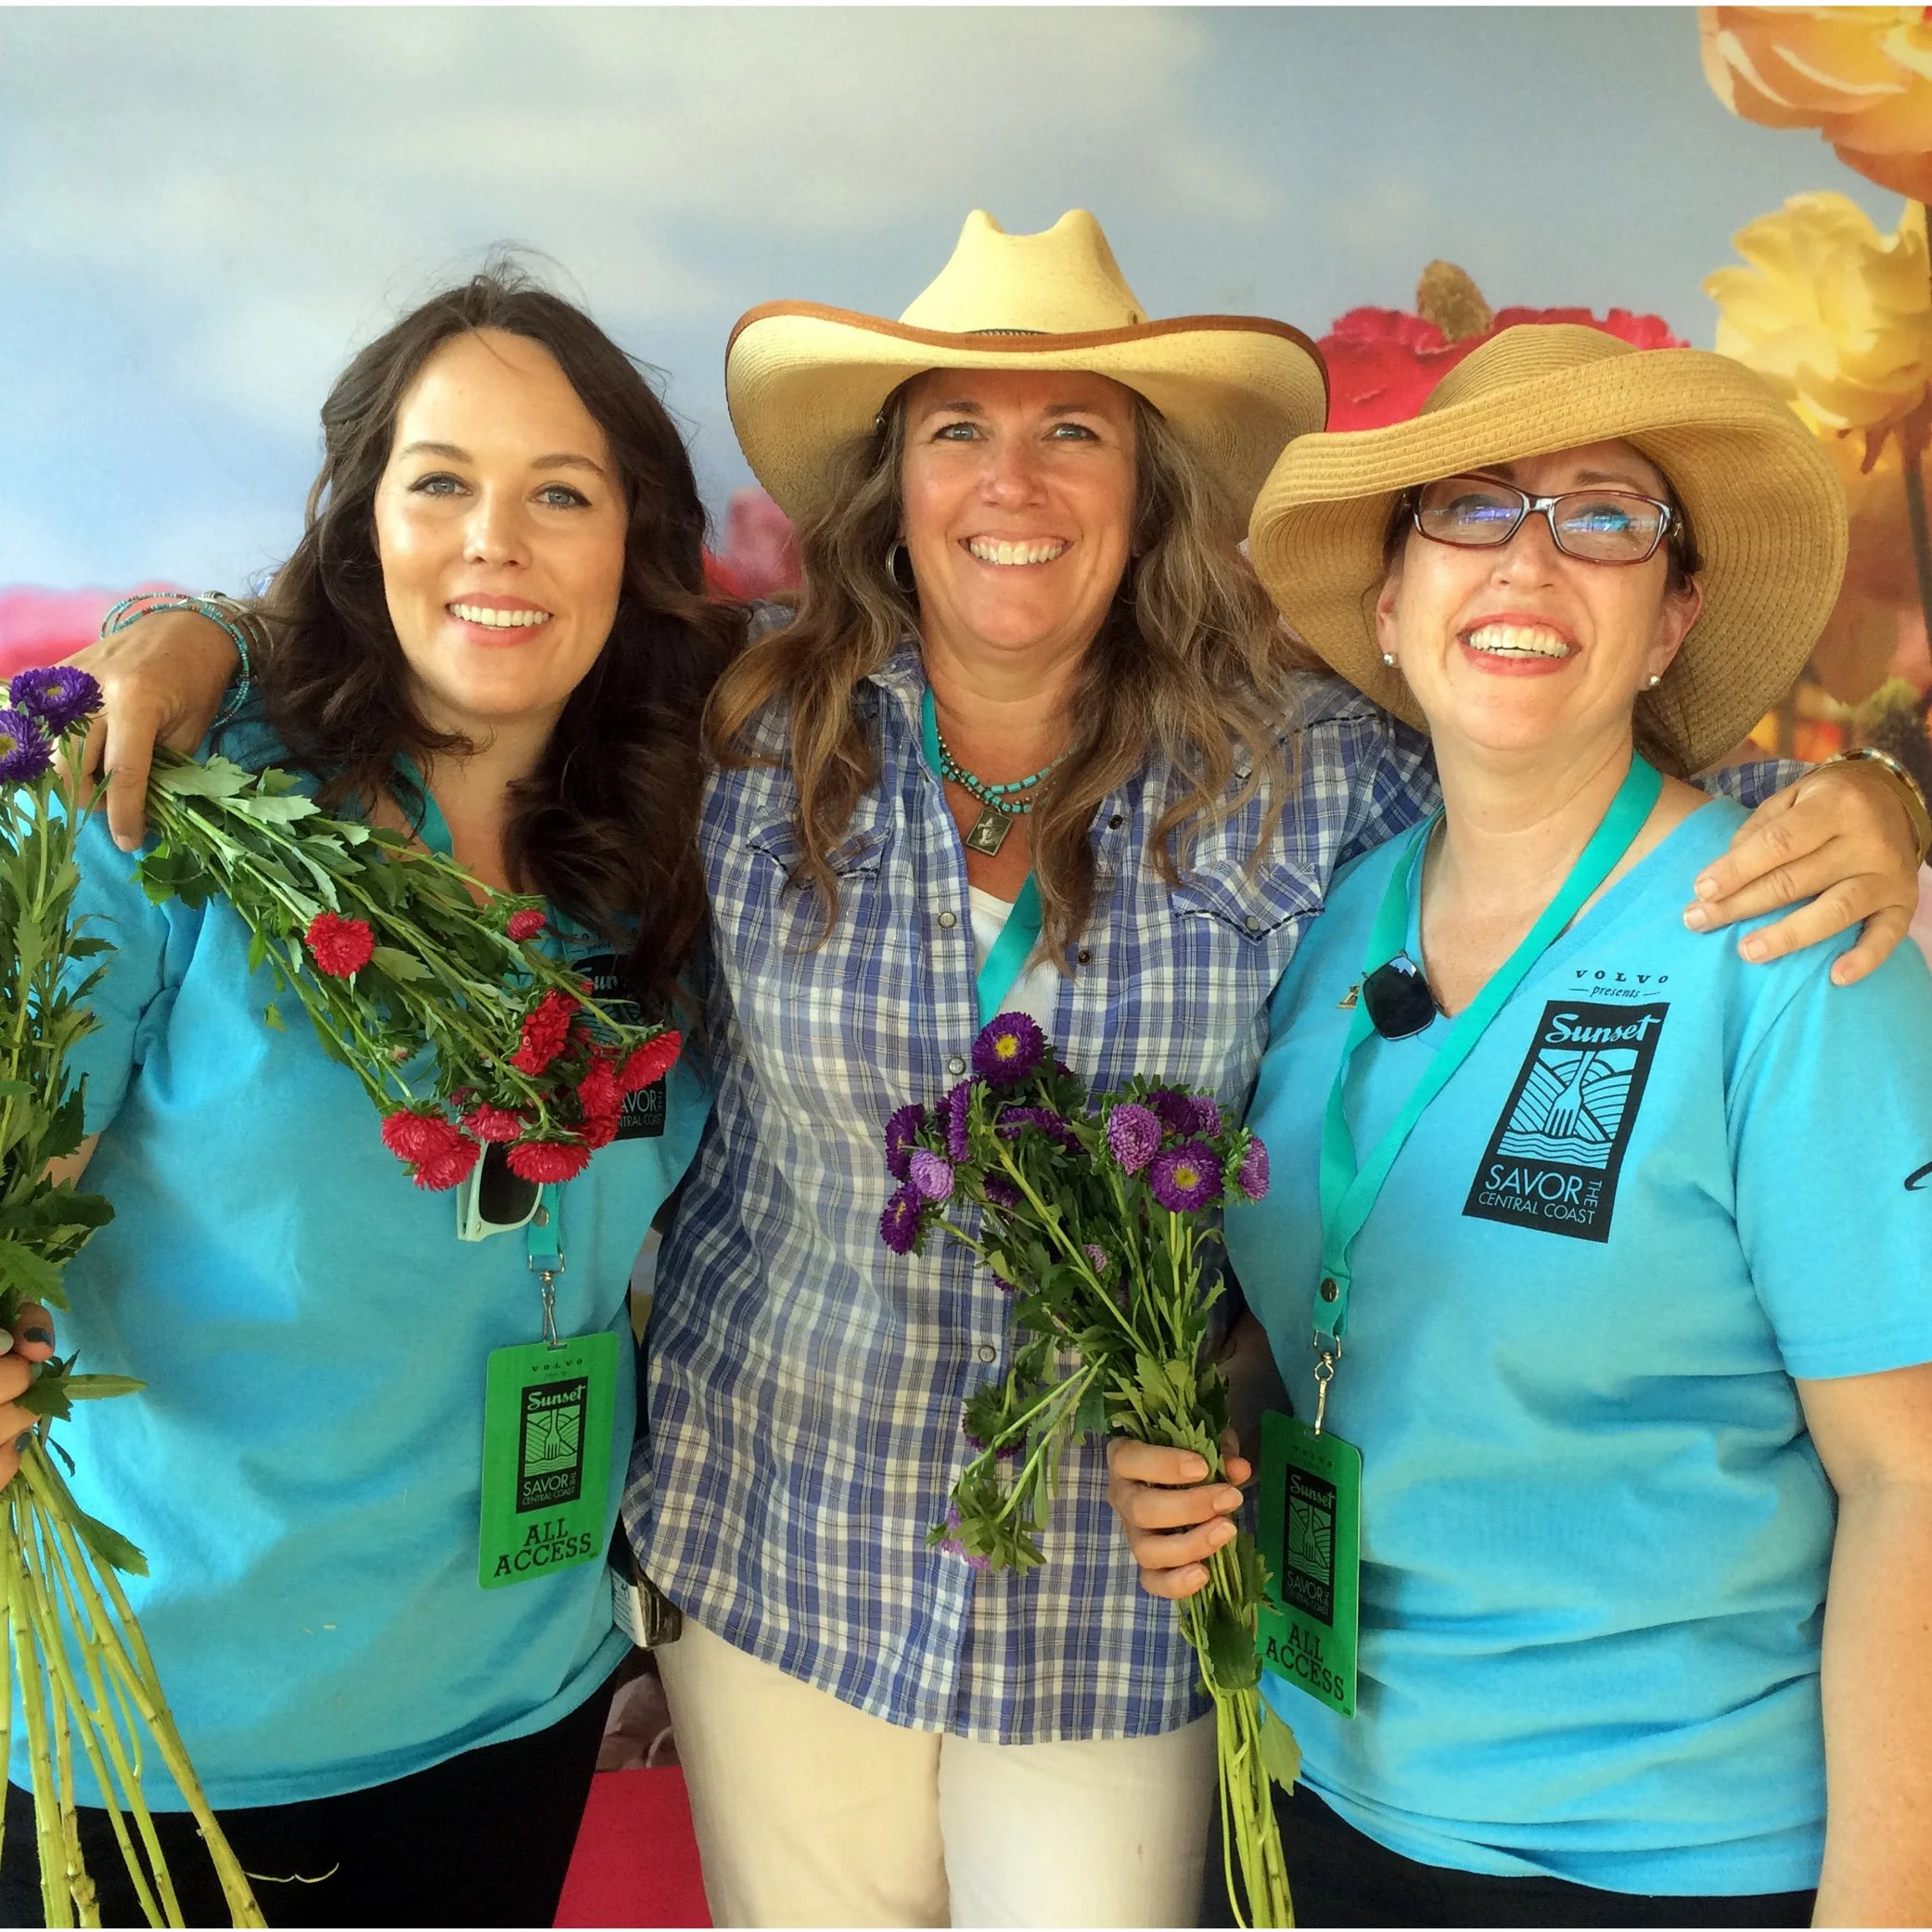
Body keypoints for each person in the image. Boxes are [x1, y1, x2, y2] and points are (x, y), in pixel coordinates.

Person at [70, 215, 1928, 1930]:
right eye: (958, 429)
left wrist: (1854, 801)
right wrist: (205, 636)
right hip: (777, 1560)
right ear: (892, 491)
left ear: (1148, 494)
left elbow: (1556, 797)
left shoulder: (1310, 773)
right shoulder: (738, 730)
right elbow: (470, 638)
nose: (1014, 485)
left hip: (1121, 1615)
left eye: (1079, 436)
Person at [1107, 325, 1932, 1926]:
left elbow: (1909, 1474)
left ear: (1670, 618)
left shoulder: (1791, 950)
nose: (1529, 559)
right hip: (1307, 1799)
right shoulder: (1336, 925)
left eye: (1606, 515)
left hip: (1657, 1859)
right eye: (1470, 512)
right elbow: (1312, 1323)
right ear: (1392, 611)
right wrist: (1197, 1445)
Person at [0, 271, 730, 1927]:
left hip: (511, 1704)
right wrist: (196, 629)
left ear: (636, 543)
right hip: (163, 1737)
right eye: (441, 483)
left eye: (563, 493)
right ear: (361, 527)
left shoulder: (646, 854)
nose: (499, 540)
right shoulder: (154, 817)